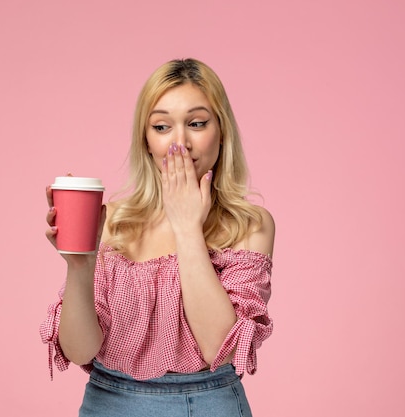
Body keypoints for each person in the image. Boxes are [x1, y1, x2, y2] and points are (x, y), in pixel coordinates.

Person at [40, 58, 275, 417]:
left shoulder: (250, 226)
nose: (179, 143)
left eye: (197, 123)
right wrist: (80, 265)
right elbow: (79, 351)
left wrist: (186, 226)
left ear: (222, 131)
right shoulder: (116, 220)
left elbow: (219, 348)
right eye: (162, 127)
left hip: (208, 404)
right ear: (147, 140)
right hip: (107, 402)